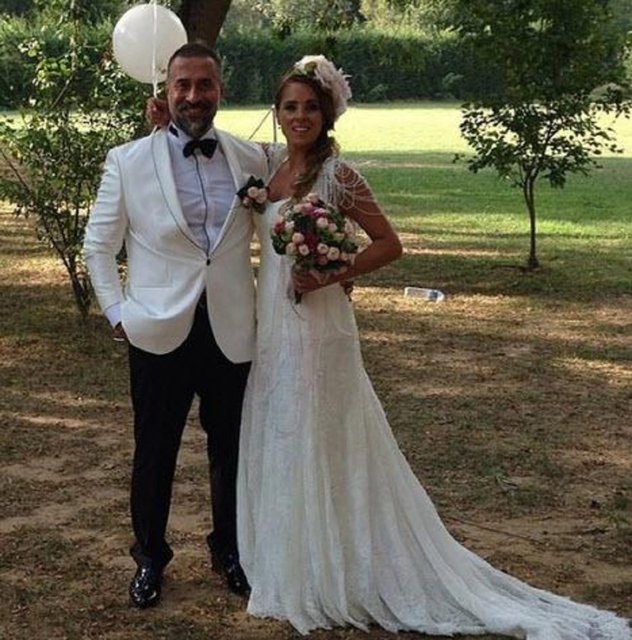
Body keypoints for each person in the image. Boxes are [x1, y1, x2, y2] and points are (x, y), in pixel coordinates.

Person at [235, 56, 632, 639]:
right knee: (282, 428)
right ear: (277, 113)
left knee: (321, 430)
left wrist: (332, 272)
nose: (300, 117)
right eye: (290, 107)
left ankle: (340, 563)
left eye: (311, 107)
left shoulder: (339, 177)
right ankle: (292, 558)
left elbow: (388, 243)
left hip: (319, 326)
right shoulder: (268, 169)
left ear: (327, 115)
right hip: (272, 323)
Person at [83, 42, 268, 609]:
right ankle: (149, 558)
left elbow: (310, 167)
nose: (193, 95)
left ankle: (230, 551)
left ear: (221, 90)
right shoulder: (128, 160)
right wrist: (117, 311)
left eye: (204, 84)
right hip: (157, 329)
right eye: (182, 84)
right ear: (165, 91)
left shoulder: (254, 158)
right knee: (154, 450)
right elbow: (98, 246)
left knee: (232, 449)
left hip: (232, 329)